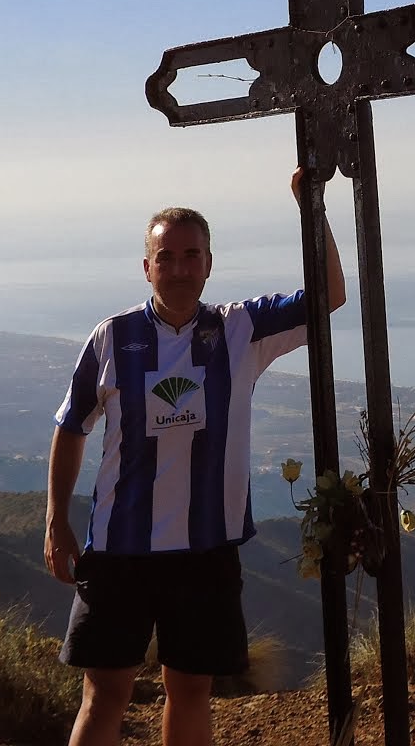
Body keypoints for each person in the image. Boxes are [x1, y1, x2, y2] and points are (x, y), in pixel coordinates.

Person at [44, 168, 346, 746]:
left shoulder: (242, 329)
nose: (179, 268)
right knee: (104, 694)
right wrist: (57, 520)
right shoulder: (112, 337)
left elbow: (329, 295)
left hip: (205, 550)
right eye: (167, 256)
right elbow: (71, 427)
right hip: (118, 552)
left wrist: (313, 205)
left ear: (209, 263)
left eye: (191, 255)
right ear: (147, 266)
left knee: (190, 694)